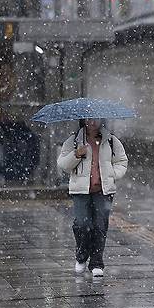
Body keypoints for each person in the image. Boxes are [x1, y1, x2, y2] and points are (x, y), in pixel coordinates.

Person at [57, 118, 128, 277]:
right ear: (83, 120)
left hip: (103, 191)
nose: (92, 122)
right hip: (80, 191)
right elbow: (62, 164)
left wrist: (112, 174)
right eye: (89, 118)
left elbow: (122, 161)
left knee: (100, 225)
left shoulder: (111, 140)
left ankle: (97, 263)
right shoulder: (74, 140)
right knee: (82, 224)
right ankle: (81, 256)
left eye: (95, 118)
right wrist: (76, 154)